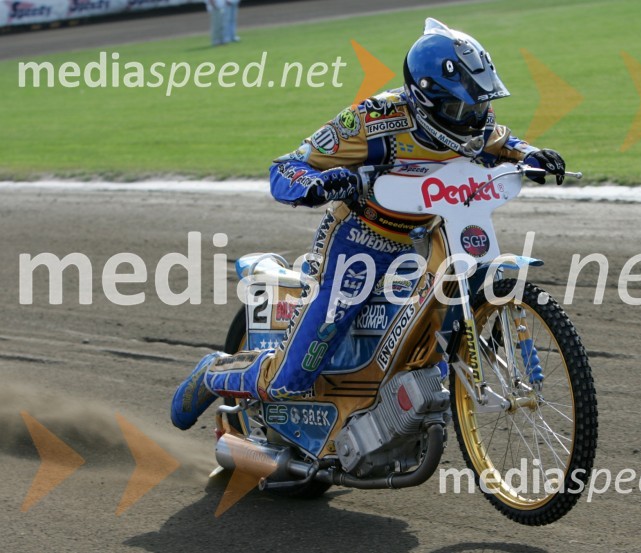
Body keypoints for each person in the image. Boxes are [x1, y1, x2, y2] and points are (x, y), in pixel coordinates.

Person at [171, 18, 567, 430]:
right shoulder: (371, 121)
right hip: (360, 239)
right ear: (425, 99)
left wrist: (532, 154)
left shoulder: (474, 121)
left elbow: (499, 143)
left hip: (431, 234)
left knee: (456, 294)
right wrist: (317, 183)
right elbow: (286, 168)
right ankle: (215, 372)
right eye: (461, 110)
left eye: (481, 105)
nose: (475, 120)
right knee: (291, 379)